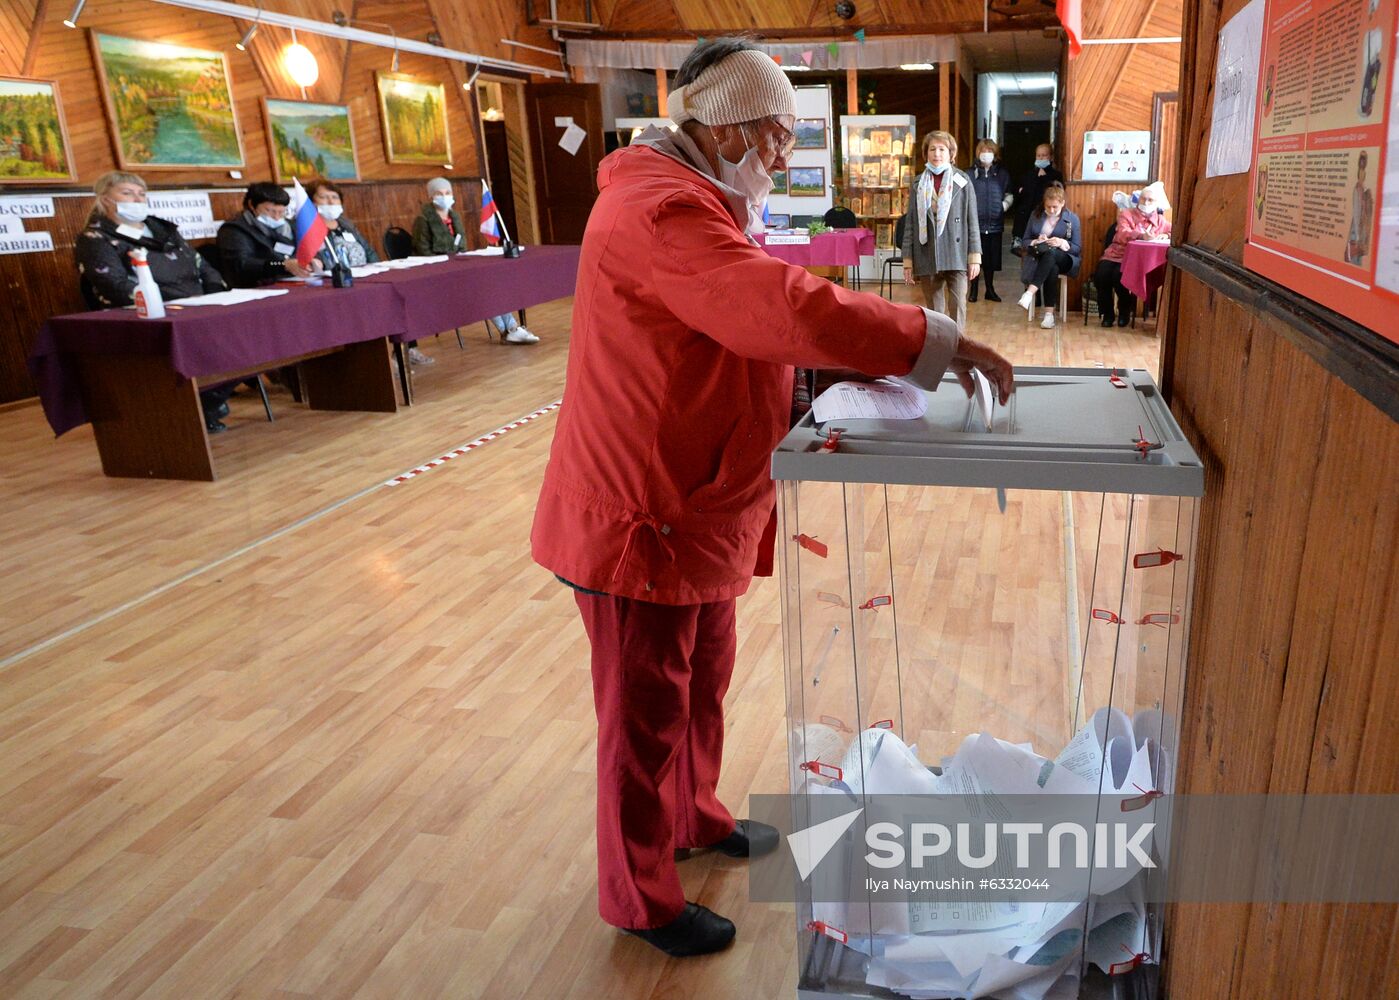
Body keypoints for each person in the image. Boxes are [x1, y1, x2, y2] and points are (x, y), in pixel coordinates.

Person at [530, 37, 1013, 959]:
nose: (785, 155)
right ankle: (639, 896)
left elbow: (748, 335)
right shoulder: (659, 208)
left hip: (697, 500)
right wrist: (930, 340)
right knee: (640, 714)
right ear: (728, 129)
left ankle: (694, 816)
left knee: (700, 677)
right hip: (642, 510)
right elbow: (772, 306)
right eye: (778, 137)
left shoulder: (699, 198)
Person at [75, 170, 235, 433]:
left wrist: (217, 294)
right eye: (127, 193)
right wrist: (170, 304)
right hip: (147, 316)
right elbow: (113, 284)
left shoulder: (164, 231)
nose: (136, 200)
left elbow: (202, 266)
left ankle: (210, 399)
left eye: (141, 194)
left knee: (243, 336)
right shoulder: (96, 238)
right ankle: (197, 405)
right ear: (104, 199)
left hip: (198, 307)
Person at [412, 177, 538, 346]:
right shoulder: (423, 220)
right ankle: (508, 330)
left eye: (447, 193)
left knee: (489, 284)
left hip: (458, 266)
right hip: (438, 272)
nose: (444, 196)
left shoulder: (454, 216)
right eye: (439, 194)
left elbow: (461, 244)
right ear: (431, 197)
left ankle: (511, 329)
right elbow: (424, 251)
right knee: (480, 289)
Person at [900, 130, 981, 332]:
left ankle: (958, 351)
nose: (937, 153)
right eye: (932, 149)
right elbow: (911, 222)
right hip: (927, 252)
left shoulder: (962, 180)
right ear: (926, 153)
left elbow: (972, 220)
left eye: (942, 149)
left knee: (958, 308)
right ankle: (939, 351)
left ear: (951, 153)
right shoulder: (918, 183)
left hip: (957, 254)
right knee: (934, 312)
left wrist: (974, 257)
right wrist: (908, 261)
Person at [1094, 180, 1172, 327]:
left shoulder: (1160, 220)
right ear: (1138, 199)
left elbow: (1172, 230)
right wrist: (1141, 236)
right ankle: (1107, 314)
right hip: (1116, 253)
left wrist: (1166, 236)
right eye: (1144, 198)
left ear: (1156, 202)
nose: (1146, 202)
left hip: (1136, 260)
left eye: (1150, 200)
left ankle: (1124, 311)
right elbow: (1122, 233)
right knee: (1101, 275)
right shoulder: (1126, 214)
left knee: (1120, 277)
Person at [216, 182, 314, 287]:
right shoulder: (234, 230)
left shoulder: (290, 226)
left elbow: (308, 247)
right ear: (251, 205)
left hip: (294, 281)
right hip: (257, 286)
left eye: (281, 212)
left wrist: (315, 260)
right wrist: (282, 265)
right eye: (270, 211)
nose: (276, 217)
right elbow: (242, 265)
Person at [1016, 182, 1082, 329]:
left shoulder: (1072, 219)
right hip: (1041, 257)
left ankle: (1029, 293)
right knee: (1051, 266)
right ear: (1044, 204)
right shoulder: (1036, 215)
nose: (1051, 210)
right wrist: (1036, 241)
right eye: (1048, 207)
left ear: (1062, 203)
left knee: (1052, 254)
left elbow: (1077, 248)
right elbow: (1025, 241)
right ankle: (1048, 315)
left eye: (1055, 207)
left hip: (1066, 258)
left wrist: (1061, 242)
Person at [969, 138, 1012, 303]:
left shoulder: (1002, 174)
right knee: (974, 258)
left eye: (989, 151)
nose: (985, 154)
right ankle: (973, 290)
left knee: (990, 259)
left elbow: (1009, 194)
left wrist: (1003, 206)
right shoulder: (969, 173)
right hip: (975, 224)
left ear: (995, 154)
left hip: (995, 223)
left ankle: (990, 289)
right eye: (982, 151)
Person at [305, 179, 379, 269]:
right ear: (311, 202)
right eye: (323, 197)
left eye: (335, 197)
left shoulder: (346, 224)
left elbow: (369, 251)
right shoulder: (307, 228)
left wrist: (378, 268)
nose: (331, 202)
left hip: (366, 273)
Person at [1012, 143, 1064, 252]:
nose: (1041, 158)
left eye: (1044, 155)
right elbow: (1020, 193)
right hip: (1026, 216)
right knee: (1026, 250)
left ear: (1050, 157)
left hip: (1045, 216)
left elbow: (1054, 192)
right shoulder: (1029, 175)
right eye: (1038, 155)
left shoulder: (1056, 175)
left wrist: (1043, 178)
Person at [1345, 152, 1374, 265]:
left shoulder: (1365, 191)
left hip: (1359, 230)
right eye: (1361, 161)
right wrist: (1357, 235)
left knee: (1357, 259)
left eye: (1364, 161)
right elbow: (1356, 213)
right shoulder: (1357, 190)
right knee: (1354, 259)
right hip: (1356, 230)